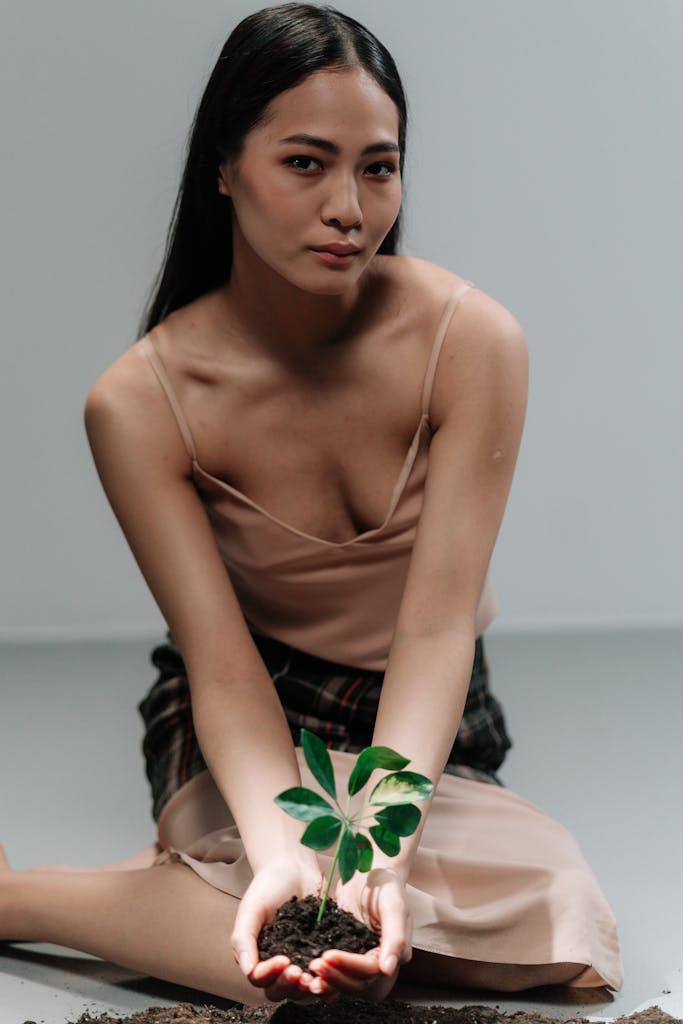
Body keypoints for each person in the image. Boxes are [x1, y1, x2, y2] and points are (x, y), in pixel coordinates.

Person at [0, 2, 623, 1009]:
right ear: (223, 166)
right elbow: (221, 661)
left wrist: (375, 845)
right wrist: (290, 854)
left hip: (422, 705)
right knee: (307, 941)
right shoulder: (137, 402)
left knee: (558, 913)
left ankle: (197, 899)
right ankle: (23, 901)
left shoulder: (472, 343)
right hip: (252, 703)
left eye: (376, 167)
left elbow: (432, 627)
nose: (348, 206)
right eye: (305, 163)